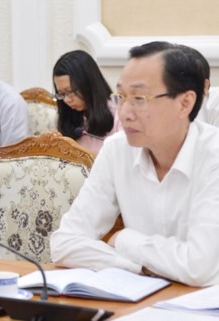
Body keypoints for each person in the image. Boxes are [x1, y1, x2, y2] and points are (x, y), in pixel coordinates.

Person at [50, 41, 219, 287]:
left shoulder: (213, 154)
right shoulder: (117, 149)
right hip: (141, 299)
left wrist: (126, 241)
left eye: (139, 98)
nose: (126, 112)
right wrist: (138, 267)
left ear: (185, 103)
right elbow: (64, 243)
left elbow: (199, 268)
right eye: (121, 97)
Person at [52, 50, 121, 154]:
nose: (66, 100)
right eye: (61, 94)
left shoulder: (118, 115)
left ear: (89, 85)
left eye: (70, 92)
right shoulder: (68, 117)